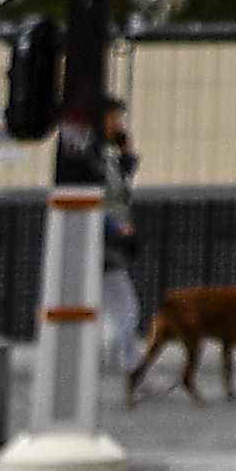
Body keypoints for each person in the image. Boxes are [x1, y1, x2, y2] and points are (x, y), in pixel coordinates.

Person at [91, 96, 142, 384]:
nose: (119, 125)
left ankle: (125, 361)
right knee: (124, 305)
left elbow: (119, 186)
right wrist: (114, 227)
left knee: (116, 304)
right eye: (115, 119)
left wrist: (127, 153)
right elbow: (101, 197)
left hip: (106, 240)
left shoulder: (104, 157)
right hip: (103, 241)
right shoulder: (94, 157)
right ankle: (129, 365)